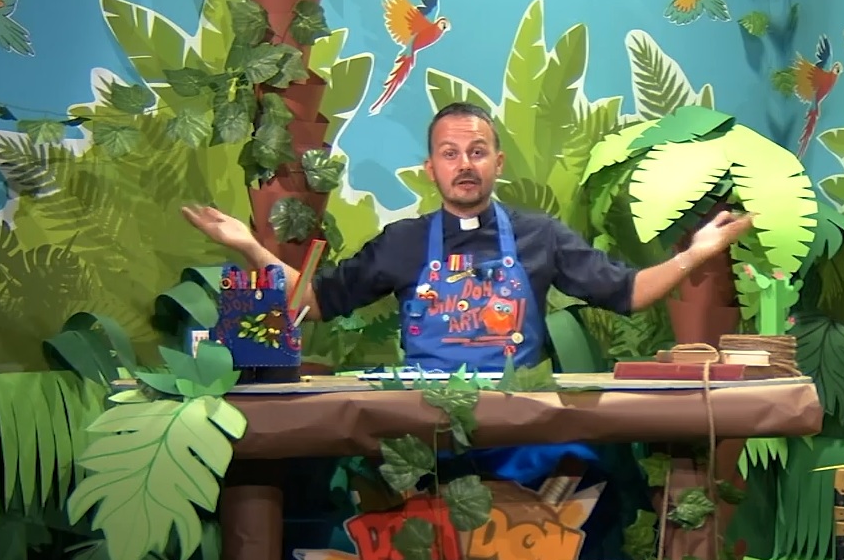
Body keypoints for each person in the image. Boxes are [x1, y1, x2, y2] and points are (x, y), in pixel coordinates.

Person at [179, 101, 755, 486]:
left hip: (520, 430)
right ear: (430, 167)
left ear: (497, 163)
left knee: (589, 474)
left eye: (477, 152)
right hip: (426, 428)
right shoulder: (403, 242)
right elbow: (314, 303)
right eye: (450, 154)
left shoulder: (541, 236)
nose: (464, 165)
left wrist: (696, 253)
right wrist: (248, 246)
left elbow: (627, 292)